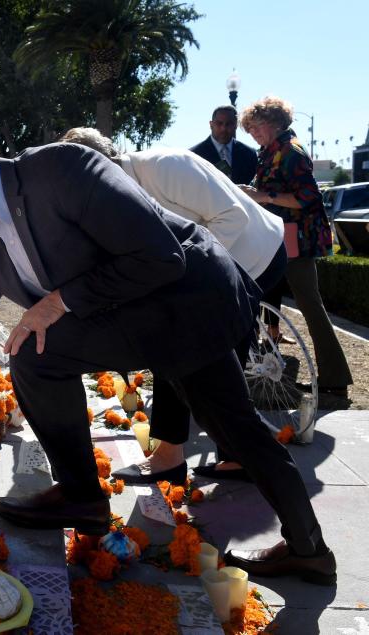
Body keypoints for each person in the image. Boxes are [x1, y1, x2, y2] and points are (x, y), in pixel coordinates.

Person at [0, 122, 335, 585]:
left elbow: (162, 255)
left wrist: (55, 302)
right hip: (128, 315)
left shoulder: (61, 168)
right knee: (33, 352)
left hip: (186, 301)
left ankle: (309, 549)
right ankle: (81, 496)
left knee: (236, 429)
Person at [59, 127, 287, 484]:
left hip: (258, 255)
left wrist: (179, 272)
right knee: (200, 357)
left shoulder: (165, 166)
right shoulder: (120, 191)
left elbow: (233, 218)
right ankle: (234, 456)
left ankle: (176, 457)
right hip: (221, 262)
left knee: (183, 345)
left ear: (100, 165)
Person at [238, 96, 352, 398]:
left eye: (255, 126)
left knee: (311, 306)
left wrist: (265, 197)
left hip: (295, 240)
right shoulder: (272, 152)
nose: (251, 132)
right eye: (248, 128)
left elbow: (307, 197)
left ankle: (335, 378)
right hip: (281, 238)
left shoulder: (291, 152)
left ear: (275, 123)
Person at [191, 105, 258, 185]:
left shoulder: (249, 154)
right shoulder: (194, 155)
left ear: (236, 125)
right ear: (211, 125)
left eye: (229, 124)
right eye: (219, 123)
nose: (223, 128)